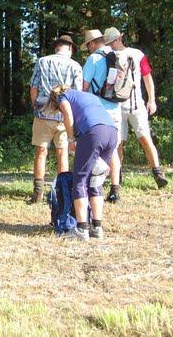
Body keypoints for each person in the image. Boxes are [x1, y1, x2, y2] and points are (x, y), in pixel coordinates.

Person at [46, 85, 118, 241]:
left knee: (80, 181)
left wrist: (71, 139)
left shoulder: (63, 97)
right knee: (95, 180)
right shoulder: (88, 96)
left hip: (93, 133)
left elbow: (67, 113)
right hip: (112, 132)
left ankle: (81, 229)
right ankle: (97, 227)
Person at [104, 27, 168, 193]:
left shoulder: (137, 54)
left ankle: (158, 173)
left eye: (111, 42)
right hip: (116, 107)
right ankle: (117, 177)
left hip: (137, 105)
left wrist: (152, 100)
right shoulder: (107, 56)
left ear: (118, 39)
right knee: (118, 143)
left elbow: (147, 78)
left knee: (145, 138)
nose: (110, 45)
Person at [28, 34, 83, 204]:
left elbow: (34, 87)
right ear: (70, 48)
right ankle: (62, 193)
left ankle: (38, 194)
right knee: (62, 153)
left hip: (43, 114)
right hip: (64, 117)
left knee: (41, 152)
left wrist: (35, 105)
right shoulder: (75, 66)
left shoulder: (42, 61)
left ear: (56, 47)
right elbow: (77, 94)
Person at [81, 29, 123, 203]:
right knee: (113, 149)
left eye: (88, 46)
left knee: (94, 148)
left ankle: (93, 186)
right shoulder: (117, 55)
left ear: (92, 43)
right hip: (116, 108)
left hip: (98, 110)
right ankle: (115, 189)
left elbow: (84, 87)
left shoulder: (93, 58)